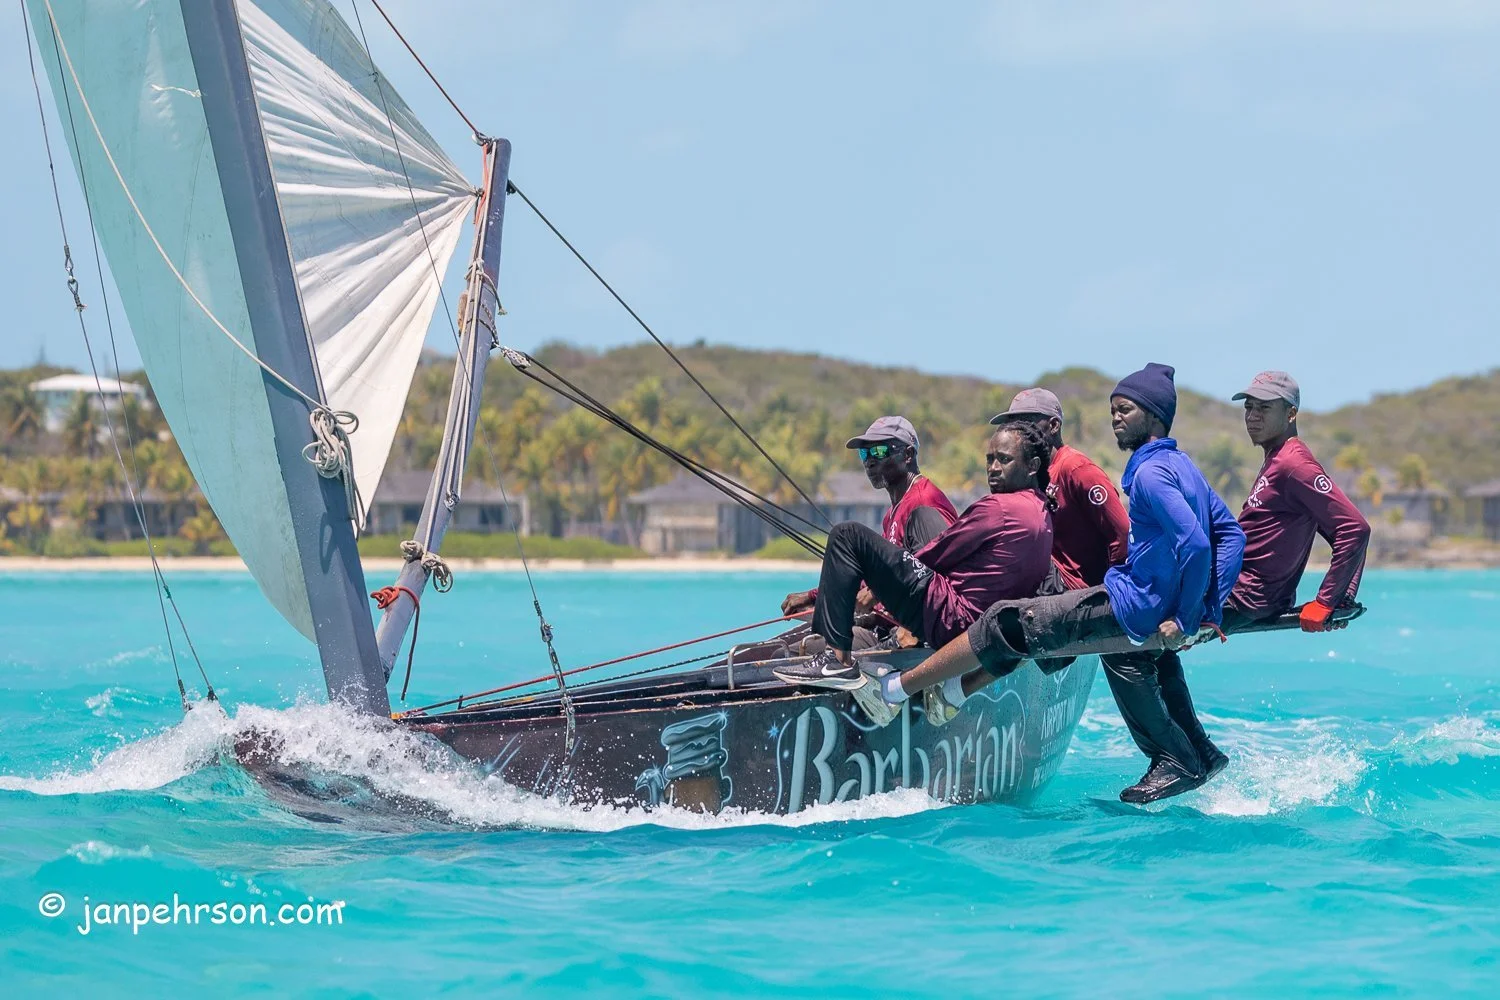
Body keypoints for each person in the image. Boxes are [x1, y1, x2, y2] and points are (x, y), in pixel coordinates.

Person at [880, 363, 1246, 804]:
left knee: (1007, 623)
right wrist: (1207, 607)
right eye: (1112, 409)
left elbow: (1165, 540)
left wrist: (1183, 615)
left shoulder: (1100, 471)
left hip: (1123, 599)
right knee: (1146, 658)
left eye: (1124, 410)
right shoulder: (1179, 463)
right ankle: (1198, 750)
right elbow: (1229, 535)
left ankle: (925, 688)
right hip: (1135, 598)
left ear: (1152, 416)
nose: (1114, 418)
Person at [771, 422, 1057, 724]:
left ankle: (836, 661)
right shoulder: (1040, 511)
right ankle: (834, 655)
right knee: (809, 636)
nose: (993, 468)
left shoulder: (994, 508)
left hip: (952, 619)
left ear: (1032, 466)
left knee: (846, 536)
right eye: (989, 460)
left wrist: (881, 590)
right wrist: (824, 595)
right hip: (974, 624)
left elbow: (940, 551)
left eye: (1004, 459)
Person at [922, 388, 1130, 723]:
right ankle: (946, 660)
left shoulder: (1077, 468)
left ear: (1053, 426)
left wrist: (1112, 596)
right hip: (1049, 577)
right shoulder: (1035, 477)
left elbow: (1121, 532)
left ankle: (949, 672)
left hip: (1070, 587)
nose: (1017, 433)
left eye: (1025, 424)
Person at [781, 416, 958, 620]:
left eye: (879, 451)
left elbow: (940, 573)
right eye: (864, 453)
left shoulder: (923, 503)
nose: (869, 461)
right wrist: (814, 597)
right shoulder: (892, 513)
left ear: (908, 454)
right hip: (890, 620)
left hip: (918, 631)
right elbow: (877, 576)